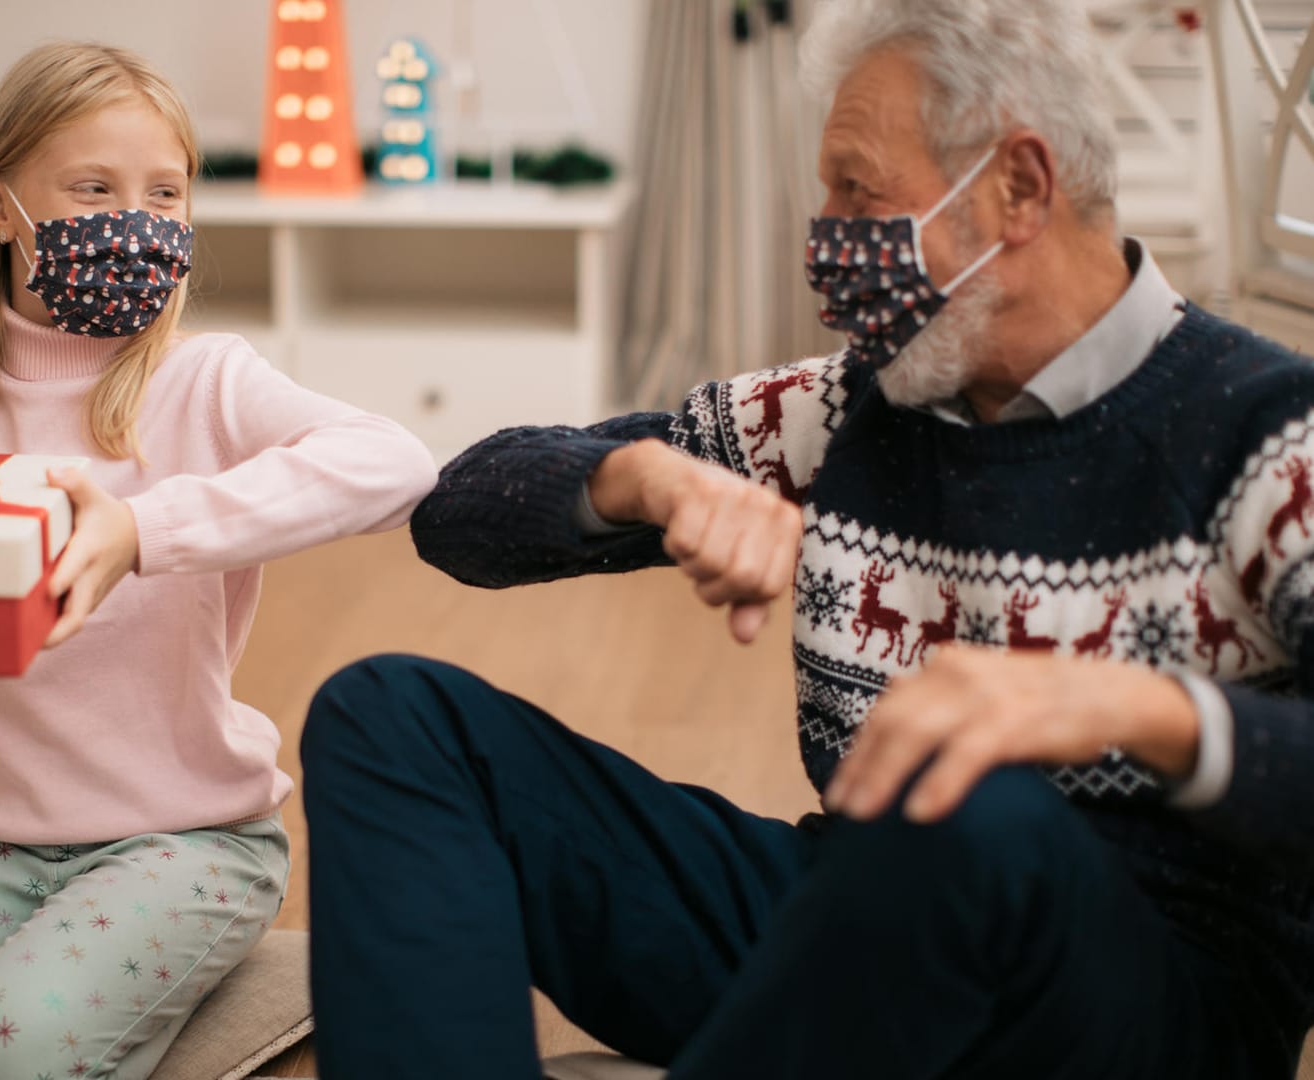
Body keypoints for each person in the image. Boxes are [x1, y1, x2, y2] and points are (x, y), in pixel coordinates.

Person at [297, 2, 1314, 1077]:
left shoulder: (1268, 431)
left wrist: (1137, 708)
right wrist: (638, 478)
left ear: (1018, 187)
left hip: (1142, 1007)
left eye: (856, 188)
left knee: (968, 810)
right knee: (390, 715)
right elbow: (455, 514)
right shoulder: (848, 406)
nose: (824, 234)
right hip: (862, 926)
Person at [0, 41, 436, 1080]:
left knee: (0, 1050)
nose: (135, 220)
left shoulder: (204, 379)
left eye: (165, 193)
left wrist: (145, 533)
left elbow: (397, 462)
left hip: (187, 842)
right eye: (95, 188)